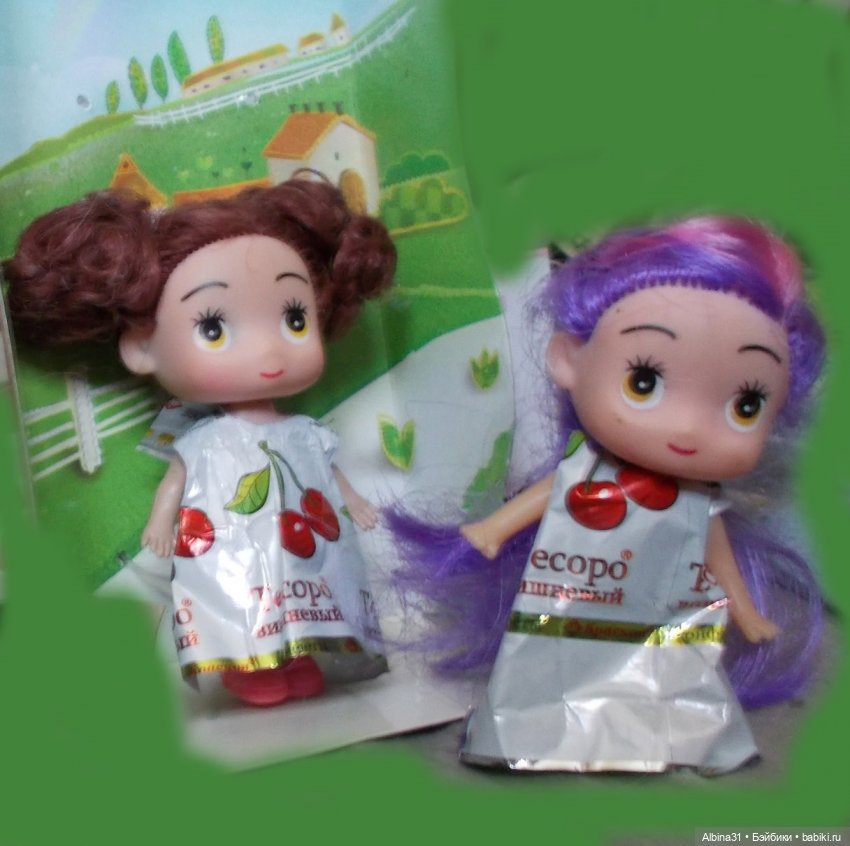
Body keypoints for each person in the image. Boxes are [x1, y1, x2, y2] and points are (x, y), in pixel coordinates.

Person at [388, 216, 825, 772]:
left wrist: (742, 607)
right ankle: (532, 733)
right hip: (571, 606)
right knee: (550, 664)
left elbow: (715, 550)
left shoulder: (696, 499)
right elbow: (549, 494)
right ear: (568, 360)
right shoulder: (586, 472)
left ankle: (668, 738)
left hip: (665, 618)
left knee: (673, 673)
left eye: (745, 405)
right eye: (644, 382)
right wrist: (493, 528)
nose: (687, 428)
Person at [5, 180, 397, 706]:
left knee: (303, 591)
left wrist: (355, 501)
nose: (268, 351)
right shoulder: (206, 439)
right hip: (231, 545)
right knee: (241, 599)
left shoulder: (303, 431)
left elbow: (322, 468)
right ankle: (247, 667)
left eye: (294, 319)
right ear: (143, 349)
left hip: (297, 542)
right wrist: (159, 522)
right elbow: (178, 478)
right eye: (213, 328)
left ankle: (300, 655)